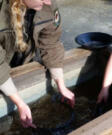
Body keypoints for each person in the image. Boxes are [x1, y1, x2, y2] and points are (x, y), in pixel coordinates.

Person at [0, 0, 75, 128]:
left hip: (23, 60)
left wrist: (61, 85)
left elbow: (51, 43)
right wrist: (20, 103)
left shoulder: (48, 4)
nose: (48, 1)